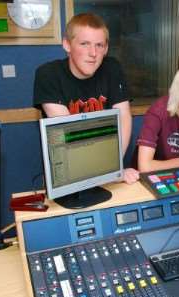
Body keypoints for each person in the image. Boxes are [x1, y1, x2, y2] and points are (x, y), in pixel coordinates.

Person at [33, 13, 139, 184]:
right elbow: (68, 133)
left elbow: (124, 118)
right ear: (67, 44)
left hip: (107, 168)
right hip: (68, 172)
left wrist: (113, 168)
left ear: (106, 49)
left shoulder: (112, 68)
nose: (93, 53)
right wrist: (109, 170)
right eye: (84, 44)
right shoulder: (48, 74)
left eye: (99, 45)